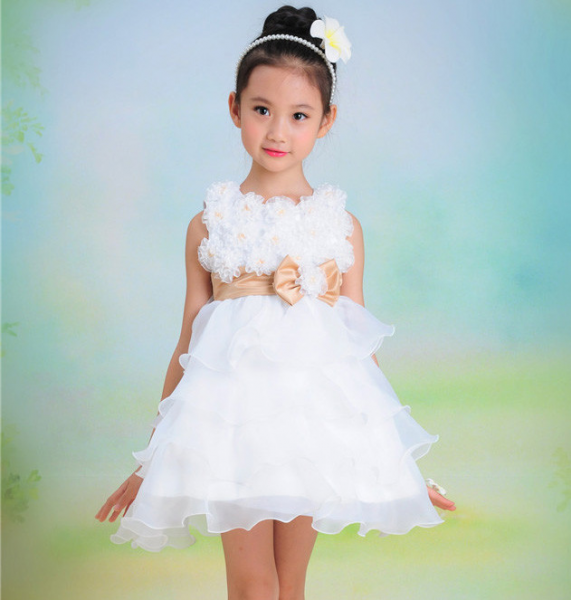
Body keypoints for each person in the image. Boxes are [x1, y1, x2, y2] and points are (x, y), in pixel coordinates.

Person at [96, 5, 456, 598]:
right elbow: (189, 341)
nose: (277, 132)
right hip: (231, 428)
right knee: (254, 585)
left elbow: (357, 350)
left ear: (326, 120)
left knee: (291, 586)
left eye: (299, 116)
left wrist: (400, 461)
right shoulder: (209, 223)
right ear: (234, 107)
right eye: (261, 110)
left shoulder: (340, 226)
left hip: (307, 429)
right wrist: (152, 456)